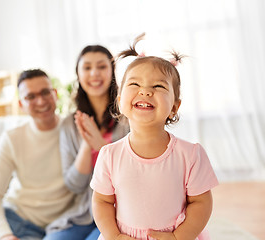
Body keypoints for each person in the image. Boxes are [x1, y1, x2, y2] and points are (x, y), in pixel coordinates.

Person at [90, 34, 219, 240]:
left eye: (158, 86)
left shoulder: (190, 154)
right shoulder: (110, 155)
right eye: (135, 84)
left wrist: (180, 236)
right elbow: (102, 202)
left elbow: (201, 202)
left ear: (174, 107)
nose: (145, 92)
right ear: (120, 100)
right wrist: (113, 235)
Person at [0, 69, 74, 240]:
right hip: (9, 217)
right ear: (21, 104)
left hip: (46, 230)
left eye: (45, 92)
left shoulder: (74, 133)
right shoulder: (13, 138)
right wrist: (4, 235)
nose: (40, 101)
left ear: (55, 94)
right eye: (30, 97)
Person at [44, 45, 130, 240]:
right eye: (87, 68)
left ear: (112, 71)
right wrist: (86, 143)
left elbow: (132, 175)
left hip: (122, 214)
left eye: (101, 66)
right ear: (78, 74)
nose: (94, 74)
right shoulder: (69, 125)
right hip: (84, 214)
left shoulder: (128, 118)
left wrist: (101, 145)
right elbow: (74, 185)